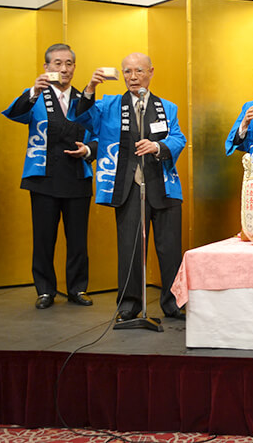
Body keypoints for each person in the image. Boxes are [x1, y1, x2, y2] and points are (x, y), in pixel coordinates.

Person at [71, 52, 186, 322]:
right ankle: (129, 304)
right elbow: (83, 117)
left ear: (151, 72)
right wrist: (90, 88)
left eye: (139, 71)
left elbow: (178, 137)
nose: (133, 77)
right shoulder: (109, 105)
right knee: (130, 248)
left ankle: (173, 303)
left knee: (170, 249)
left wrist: (157, 146)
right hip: (128, 185)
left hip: (163, 185)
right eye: (127, 72)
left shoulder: (167, 107)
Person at [2, 43, 97, 310]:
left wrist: (88, 150)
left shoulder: (84, 98)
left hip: (77, 175)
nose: (64, 69)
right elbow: (15, 114)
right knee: (43, 237)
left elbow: (100, 133)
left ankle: (77, 288)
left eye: (69, 63)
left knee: (78, 239)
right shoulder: (36, 96)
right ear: (46, 67)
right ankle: (45, 290)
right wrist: (33, 90)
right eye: (57, 63)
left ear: (74, 67)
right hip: (43, 176)